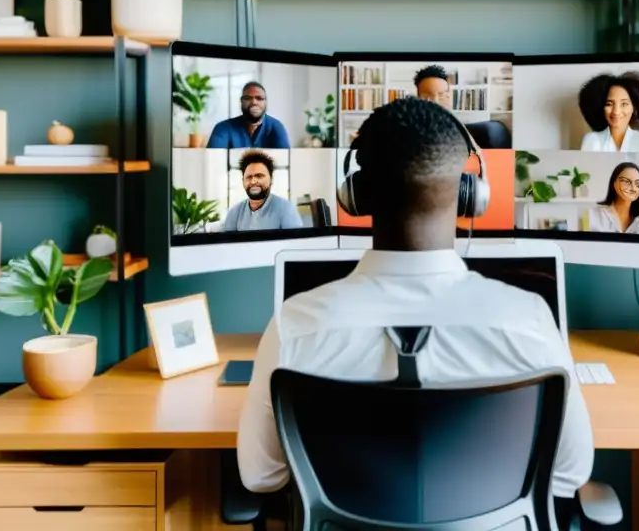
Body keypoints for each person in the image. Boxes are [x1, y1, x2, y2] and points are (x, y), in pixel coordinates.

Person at [237, 97, 593, 525]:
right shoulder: (527, 321)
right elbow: (569, 474)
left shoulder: (296, 326)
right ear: (469, 196)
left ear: (357, 194)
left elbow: (260, 477)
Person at [414, 64, 511, 149]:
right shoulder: (410, 124)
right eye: (427, 95)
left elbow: (477, 152)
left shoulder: (455, 125)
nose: (435, 100)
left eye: (441, 95)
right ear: (417, 97)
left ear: (448, 97)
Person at [578, 70, 639, 152]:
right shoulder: (592, 139)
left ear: (634, 107)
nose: (616, 111)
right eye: (609, 104)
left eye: (624, 104)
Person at [222, 150, 303, 232]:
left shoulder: (286, 209)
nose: (253, 181)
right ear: (243, 182)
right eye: (249, 177)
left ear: (271, 179)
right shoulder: (234, 213)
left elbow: (294, 243)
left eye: (259, 176)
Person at [207, 81, 291, 149]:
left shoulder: (276, 127)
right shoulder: (223, 128)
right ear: (241, 102)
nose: (254, 102)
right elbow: (213, 161)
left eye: (259, 98)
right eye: (248, 98)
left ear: (266, 102)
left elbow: (285, 163)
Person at [588, 161, 639, 235]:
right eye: (626, 181)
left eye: (638, 183)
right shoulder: (594, 215)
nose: (633, 188)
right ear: (614, 184)